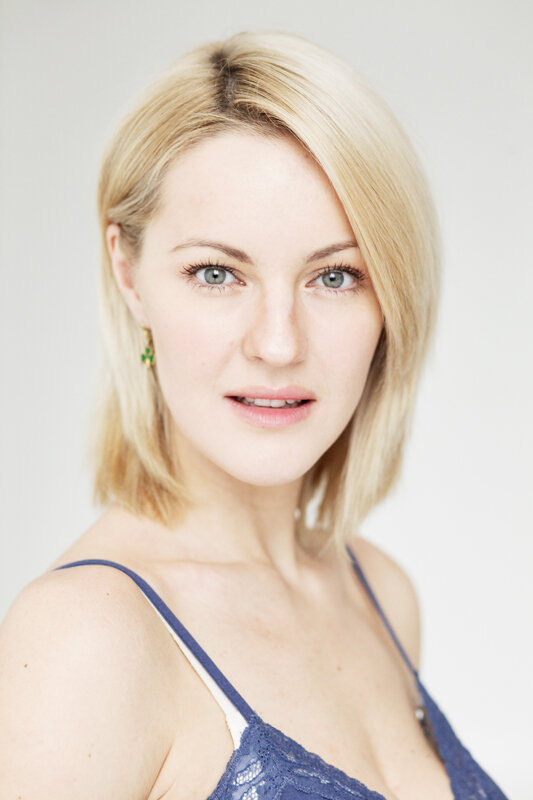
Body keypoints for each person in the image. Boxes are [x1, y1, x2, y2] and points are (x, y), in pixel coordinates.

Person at [0, 30, 508, 800]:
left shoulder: (379, 592)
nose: (278, 344)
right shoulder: (85, 641)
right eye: (216, 273)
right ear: (129, 274)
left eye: (334, 276)